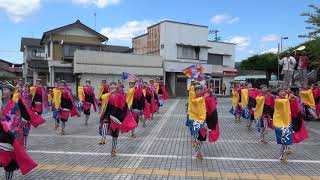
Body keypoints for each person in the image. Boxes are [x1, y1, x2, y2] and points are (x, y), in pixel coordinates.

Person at [0, 82, 44, 179]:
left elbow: (26, 114)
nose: (3, 92)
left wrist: (28, 118)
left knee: (9, 163)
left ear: (12, 92)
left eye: (6, 90)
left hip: (11, 136)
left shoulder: (16, 103)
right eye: (2, 90)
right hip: (0, 135)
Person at [99, 82, 138, 156]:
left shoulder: (120, 96)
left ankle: (113, 149)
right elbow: (103, 100)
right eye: (111, 86)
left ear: (117, 87)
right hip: (109, 115)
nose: (112, 87)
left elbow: (124, 107)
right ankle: (103, 139)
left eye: (114, 86)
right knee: (105, 123)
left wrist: (120, 118)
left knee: (114, 135)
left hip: (117, 116)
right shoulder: (108, 96)